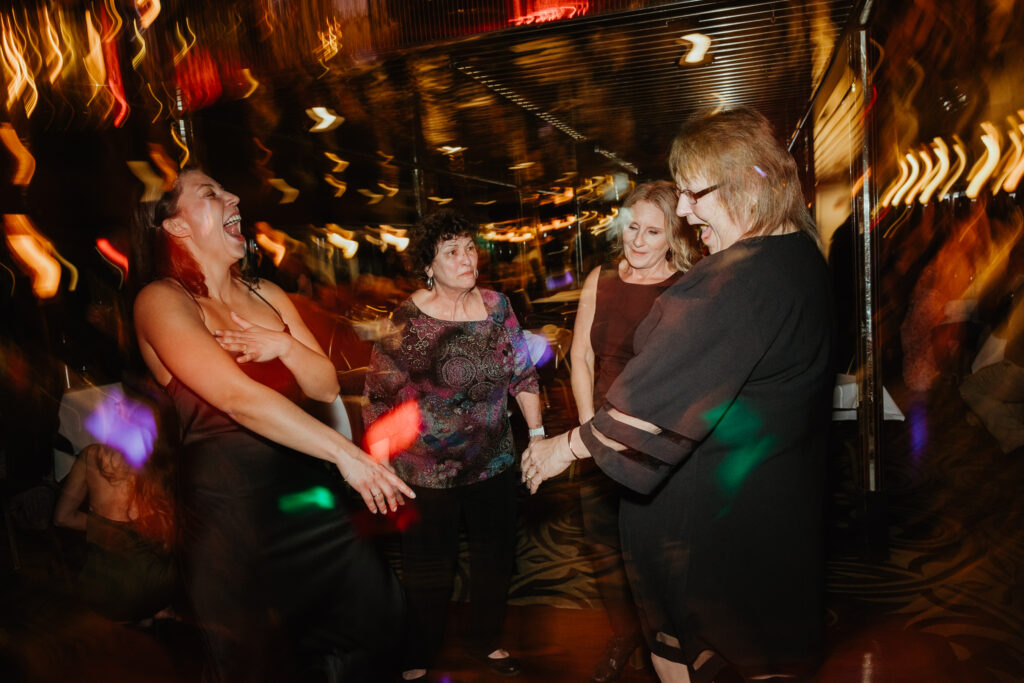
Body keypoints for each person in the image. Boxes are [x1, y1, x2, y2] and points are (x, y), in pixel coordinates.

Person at [523, 108, 834, 683]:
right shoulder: (804, 255)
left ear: (745, 183)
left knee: (694, 648)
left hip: (709, 534)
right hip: (774, 509)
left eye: (694, 194)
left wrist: (560, 447)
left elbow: (650, 398)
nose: (685, 212)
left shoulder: (733, 280)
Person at [132, 168, 414, 682]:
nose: (234, 194)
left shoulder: (268, 295)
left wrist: (284, 345)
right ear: (175, 227)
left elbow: (325, 384)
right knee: (261, 663)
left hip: (306, 498)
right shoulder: (161, 300)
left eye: (227, 185)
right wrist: (347, 454)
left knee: (378, 620)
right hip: (231, 520)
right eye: (211, 193)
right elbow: (238, 398)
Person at [363, 210, 543, 681]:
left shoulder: (498, 307)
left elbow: (523, 374)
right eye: (451, 251)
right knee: (430, 569)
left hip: (495, 461)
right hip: (428, 470)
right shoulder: (408, 318)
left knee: (495, 559)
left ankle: (485, 641)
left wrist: (538, 437)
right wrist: (379, 468)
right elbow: (378, 397)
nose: (466, 258)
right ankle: (419, 654)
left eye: (468, 247)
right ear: (429, 265)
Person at [569, 180, 702, 683]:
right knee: (603, 545)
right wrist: (587, 427)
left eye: (653, 231)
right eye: (632, 229)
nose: (639, 241)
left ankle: (666, 641)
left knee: (658, 552)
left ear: (674, 236)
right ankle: (624, 634)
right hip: (598, 433)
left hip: (653, 440)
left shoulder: (684, 288)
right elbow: (581, 354)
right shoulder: (600, 278)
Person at [53, 442, 176, 623]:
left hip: (101, 594)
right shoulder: (161, 463)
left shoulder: (90, 455)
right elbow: (168, 543)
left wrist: (102, 526)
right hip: (151, 593)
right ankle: (153, 613)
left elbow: (62, 518)